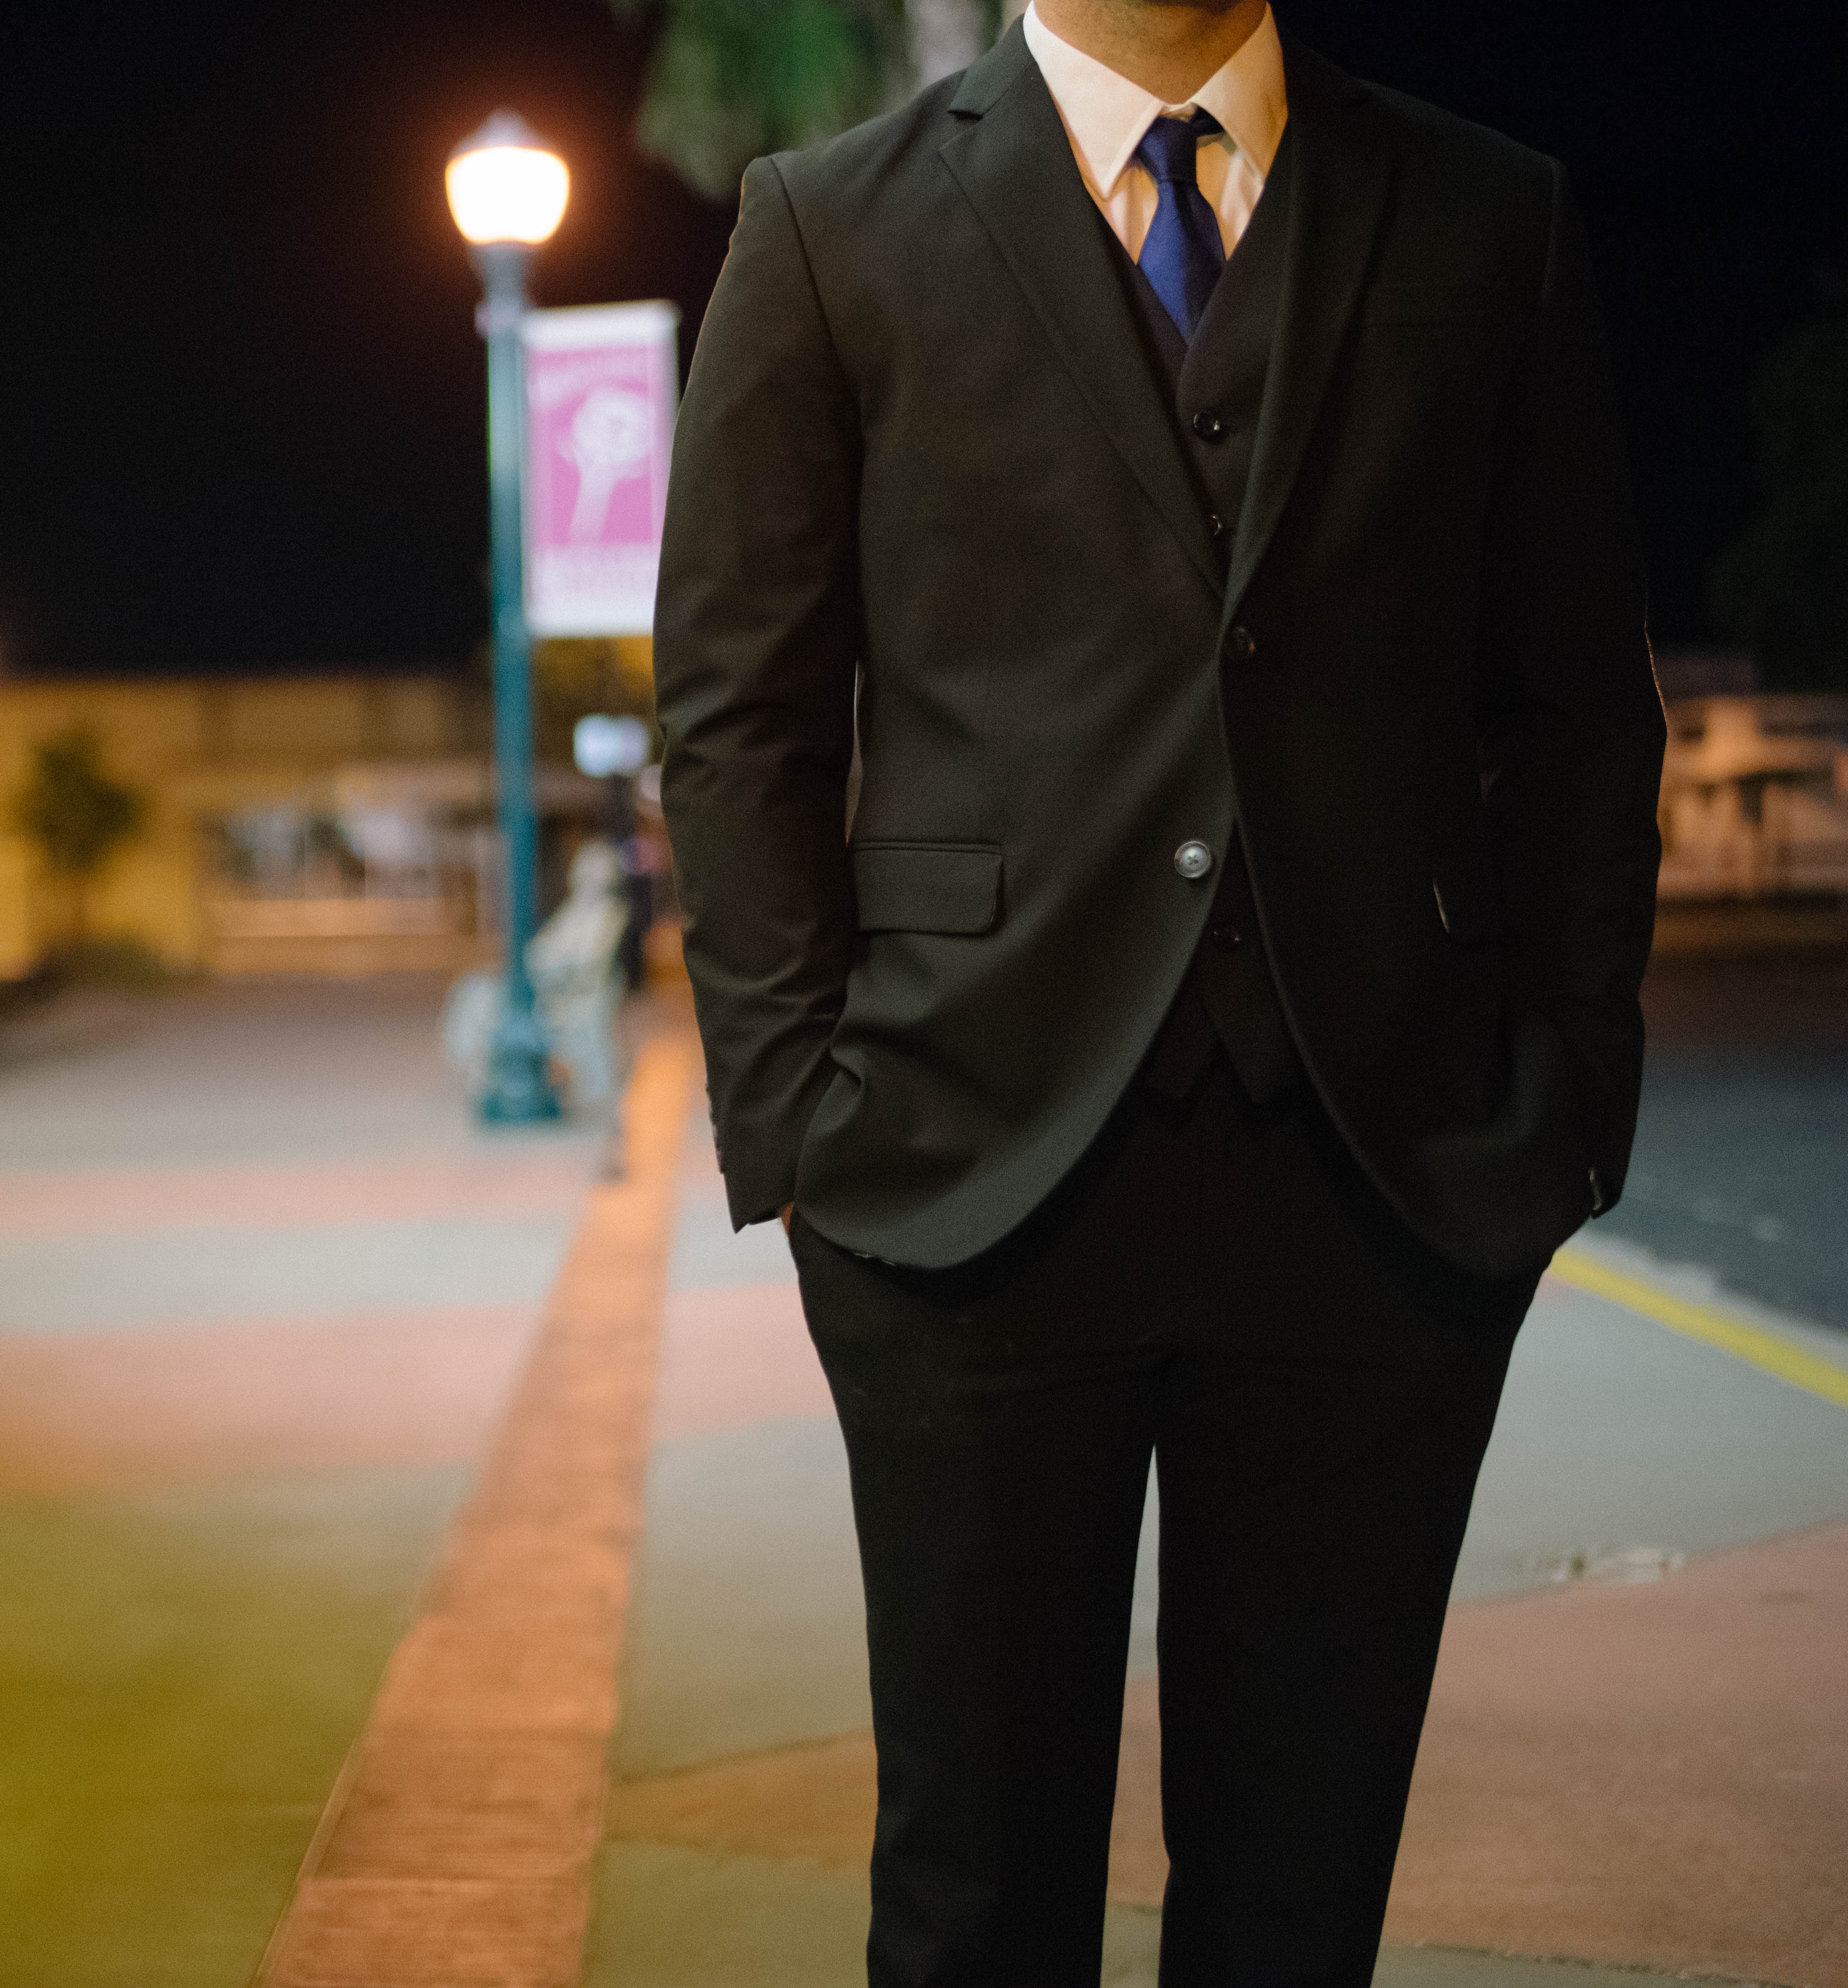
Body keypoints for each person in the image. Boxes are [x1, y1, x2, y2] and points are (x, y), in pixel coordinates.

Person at [650, 0, 1665, 1981]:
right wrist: (802, 1115)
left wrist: (1565, 1099)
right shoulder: (827, 225)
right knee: (974, 1898)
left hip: (1379, 1177)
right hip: (958, 1171)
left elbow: (1576, 709)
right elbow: (741, 716)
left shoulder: (1488, 218)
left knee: (1301, 1899)